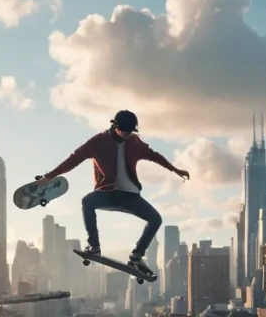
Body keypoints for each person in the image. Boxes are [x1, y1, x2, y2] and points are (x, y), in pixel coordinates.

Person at [38, 110, 189, 276]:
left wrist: (175, 170)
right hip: (108, 194)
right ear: (115, 126)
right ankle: (94, 246)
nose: (126, 134)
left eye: (130, 131)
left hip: (131, 196)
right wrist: (49, 176)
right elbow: (74, 158)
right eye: (124, 130)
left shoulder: (134, 142)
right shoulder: (98, 142)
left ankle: (136, 257)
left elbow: (155, 156)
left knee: (155, 219)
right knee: (87, 201)